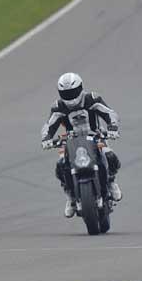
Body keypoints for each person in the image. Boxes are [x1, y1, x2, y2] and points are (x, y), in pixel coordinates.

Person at [41, 73, 122, 218]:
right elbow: (49, 125)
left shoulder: (92, 98)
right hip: (70, 141)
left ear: (80, 88)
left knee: (110, 155)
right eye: (66, 93)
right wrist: (46, 138)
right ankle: (71, 196)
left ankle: (111, 181)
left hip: (96, 136)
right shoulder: (58, 106)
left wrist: (113, 127)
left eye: (72, 92)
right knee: (61, 165)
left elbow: (109, 113)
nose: (70, 97)